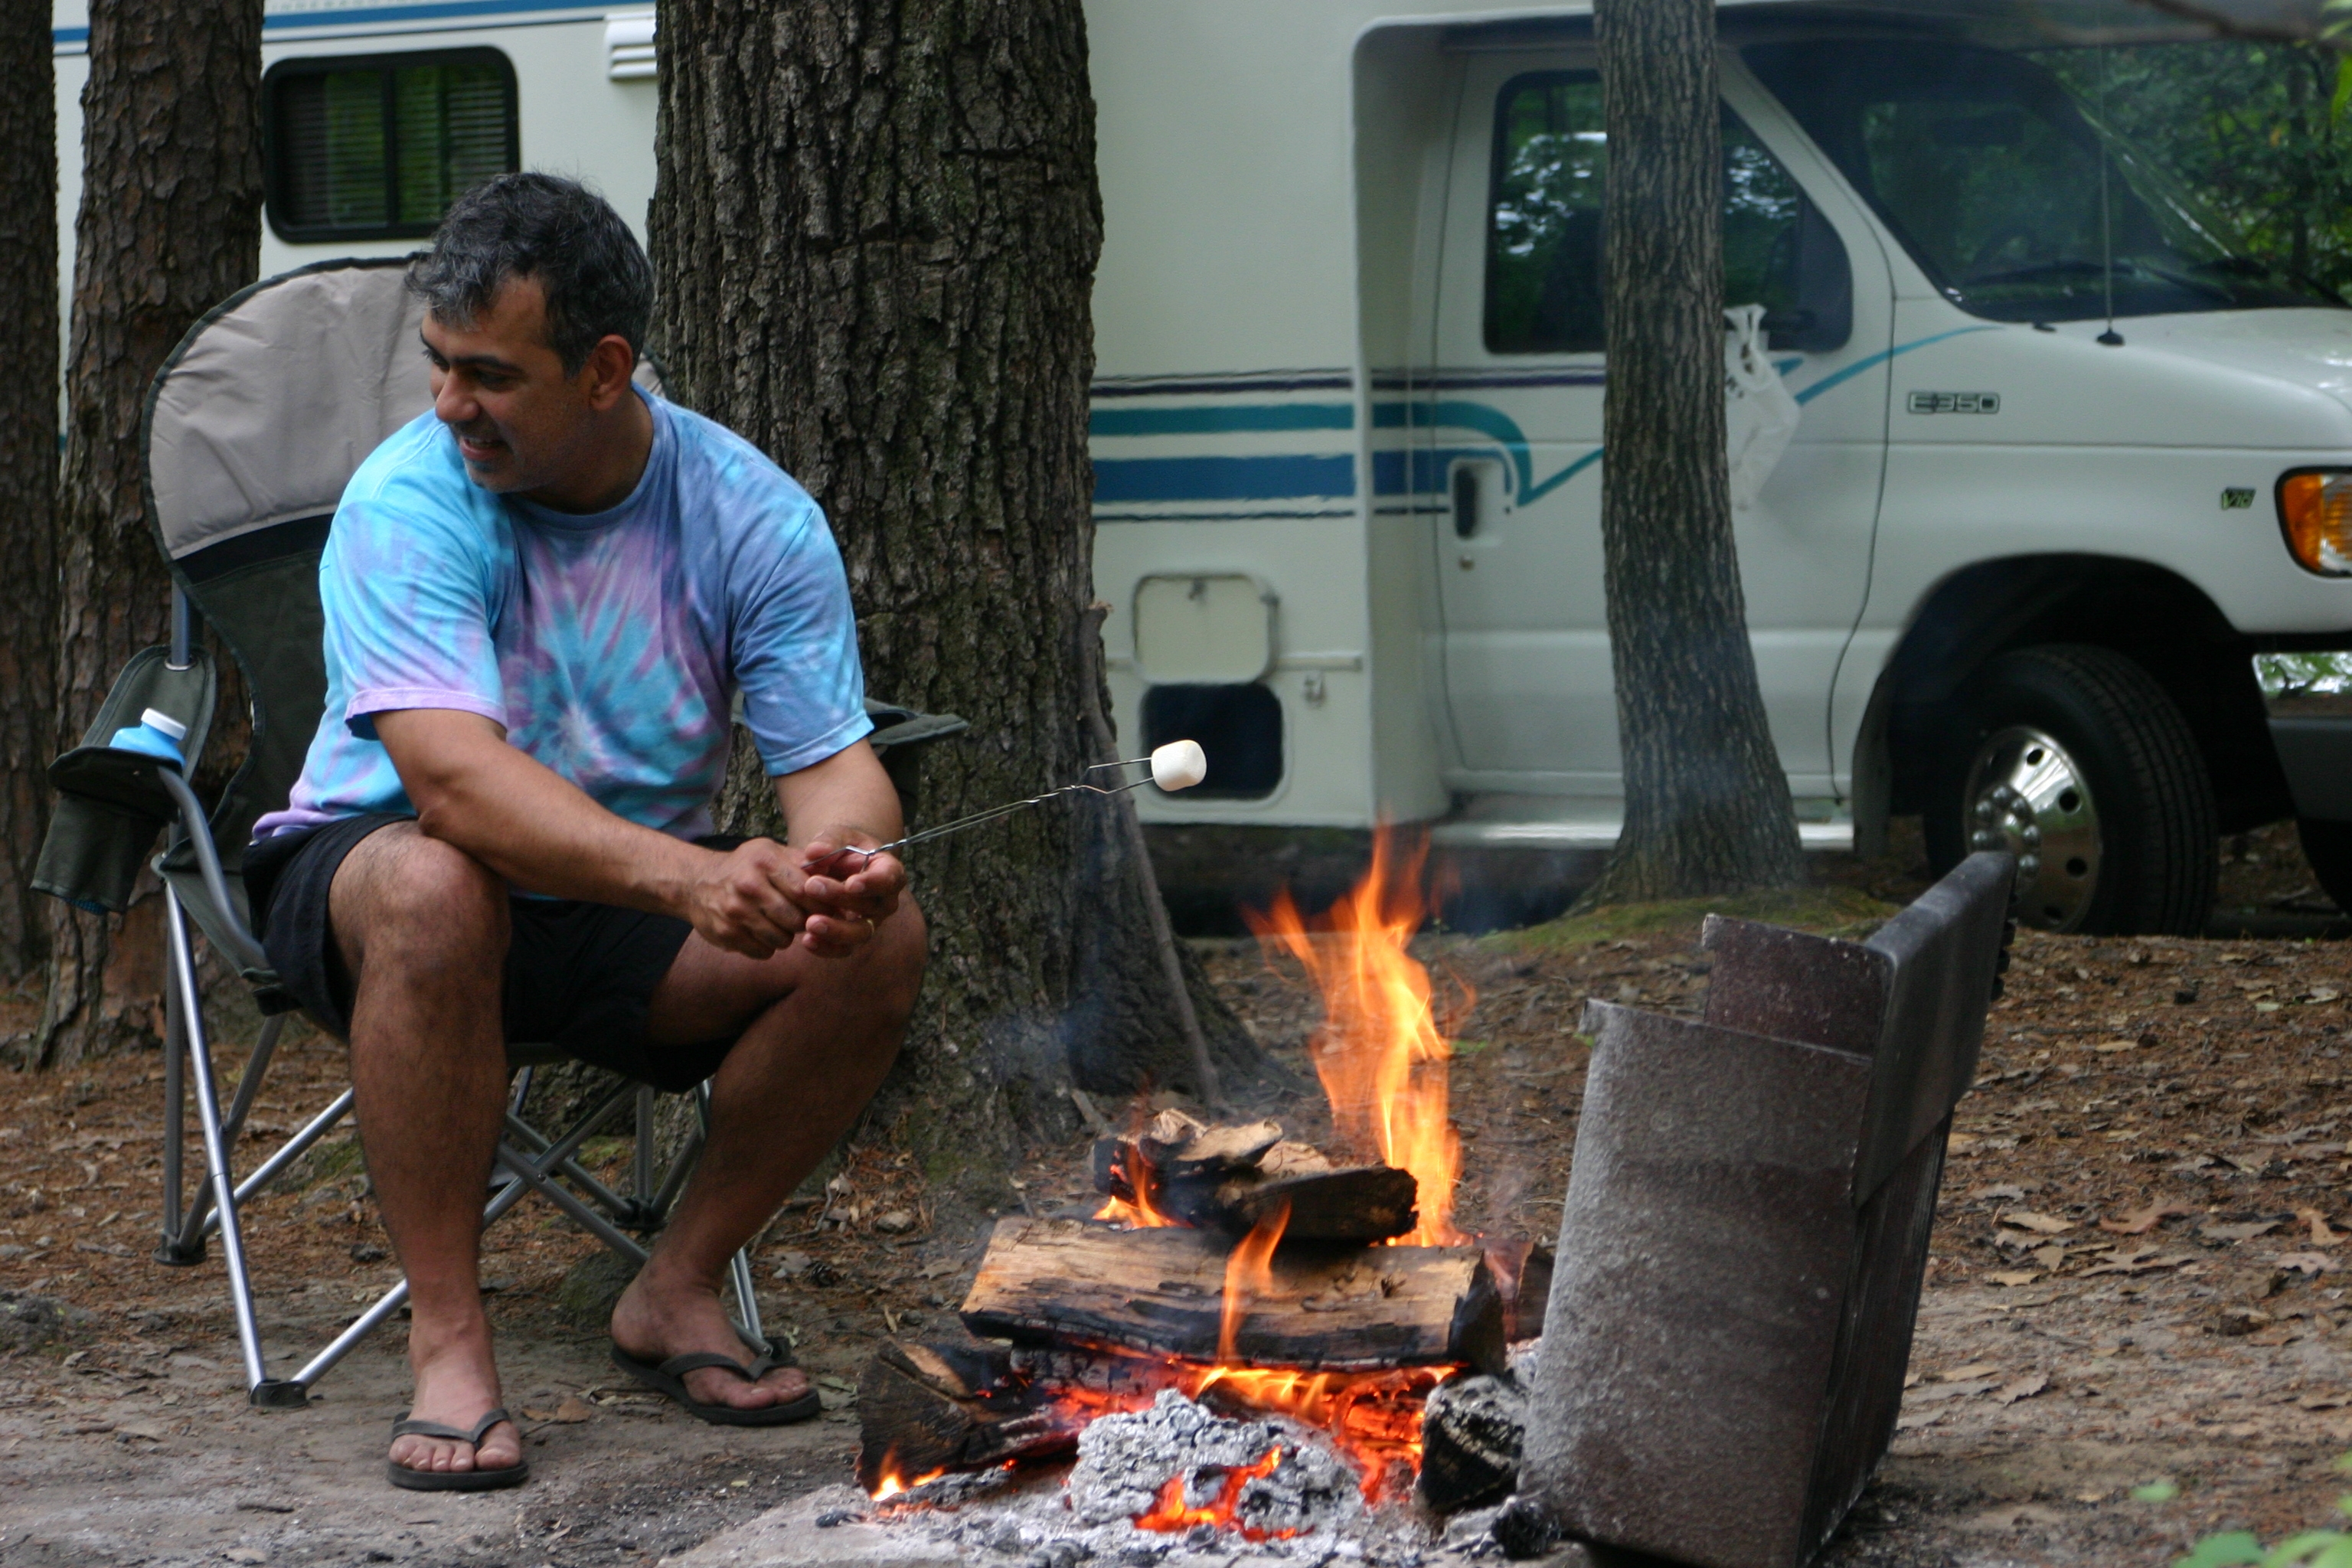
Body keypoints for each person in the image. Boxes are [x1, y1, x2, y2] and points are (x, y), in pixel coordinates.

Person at [242, 173, 926, 1492]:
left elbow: (835, 762)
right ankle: (448, 1345)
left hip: (614, 911)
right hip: (369, 877)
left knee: (874, 946)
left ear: (605, 369)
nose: (449, 408)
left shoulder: (752, 516)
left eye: (489, 377)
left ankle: (672, 1287)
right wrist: (689, 876)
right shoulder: (409, 502)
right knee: (440, 888)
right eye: (438, 367)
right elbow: (453, 786)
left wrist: (845, 857)